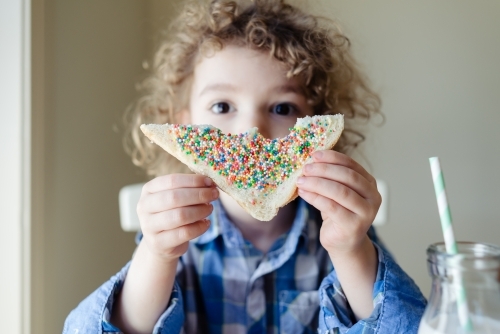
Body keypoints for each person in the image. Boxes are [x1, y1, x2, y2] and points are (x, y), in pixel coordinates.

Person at [64, 0, 426, 333]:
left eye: (282, 108)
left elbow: (407, 327)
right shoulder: (174, 235)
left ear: (317, 123)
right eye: (222, 106)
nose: (251, 132)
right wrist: (156, 255)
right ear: (185, 123)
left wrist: (350, 248)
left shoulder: (338, 231)